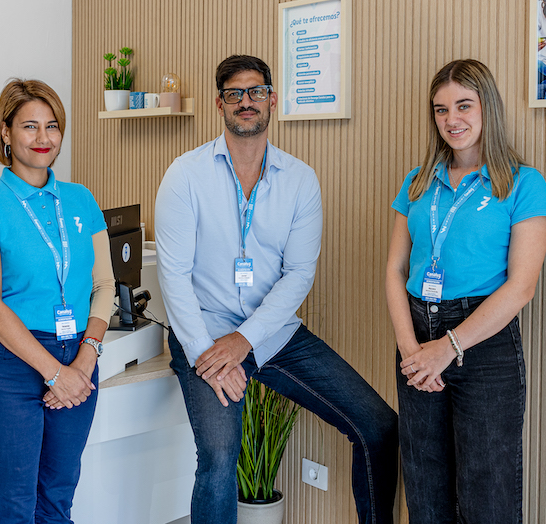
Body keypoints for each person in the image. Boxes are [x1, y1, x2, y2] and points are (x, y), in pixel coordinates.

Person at [155, 54, 399, 524]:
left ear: (272, 100)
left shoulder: (301, 180)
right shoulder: (185, 176)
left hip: (273, 334)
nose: (245, 102)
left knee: (378, 425)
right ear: (219, 105)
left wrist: (245, 339)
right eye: (233, 94)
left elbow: (299, 274)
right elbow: (174, 277)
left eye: (254, 92)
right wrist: (212, 351)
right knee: (221, 458)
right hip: (203, 334)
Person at [385, 59, 546, 523]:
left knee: (487, 492)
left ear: (487, 108)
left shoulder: (522, 183)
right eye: (440, 110)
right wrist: (411, 350)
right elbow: (395, 269)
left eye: (463, 105)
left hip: (484, 346)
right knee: (425, 488)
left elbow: (522, 287)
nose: (451, 120)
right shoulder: (417, 181)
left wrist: (448, 348)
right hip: (415, 338)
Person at [0, 78, 116, 523]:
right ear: (5, 133)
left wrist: (83, 362)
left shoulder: (80, 198)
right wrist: (54, 374)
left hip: (78, 355)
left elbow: (103, 285)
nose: (44, 138)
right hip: (12, 364)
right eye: (30, 126)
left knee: (57, 500)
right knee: (13, 507)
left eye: (52, 126)